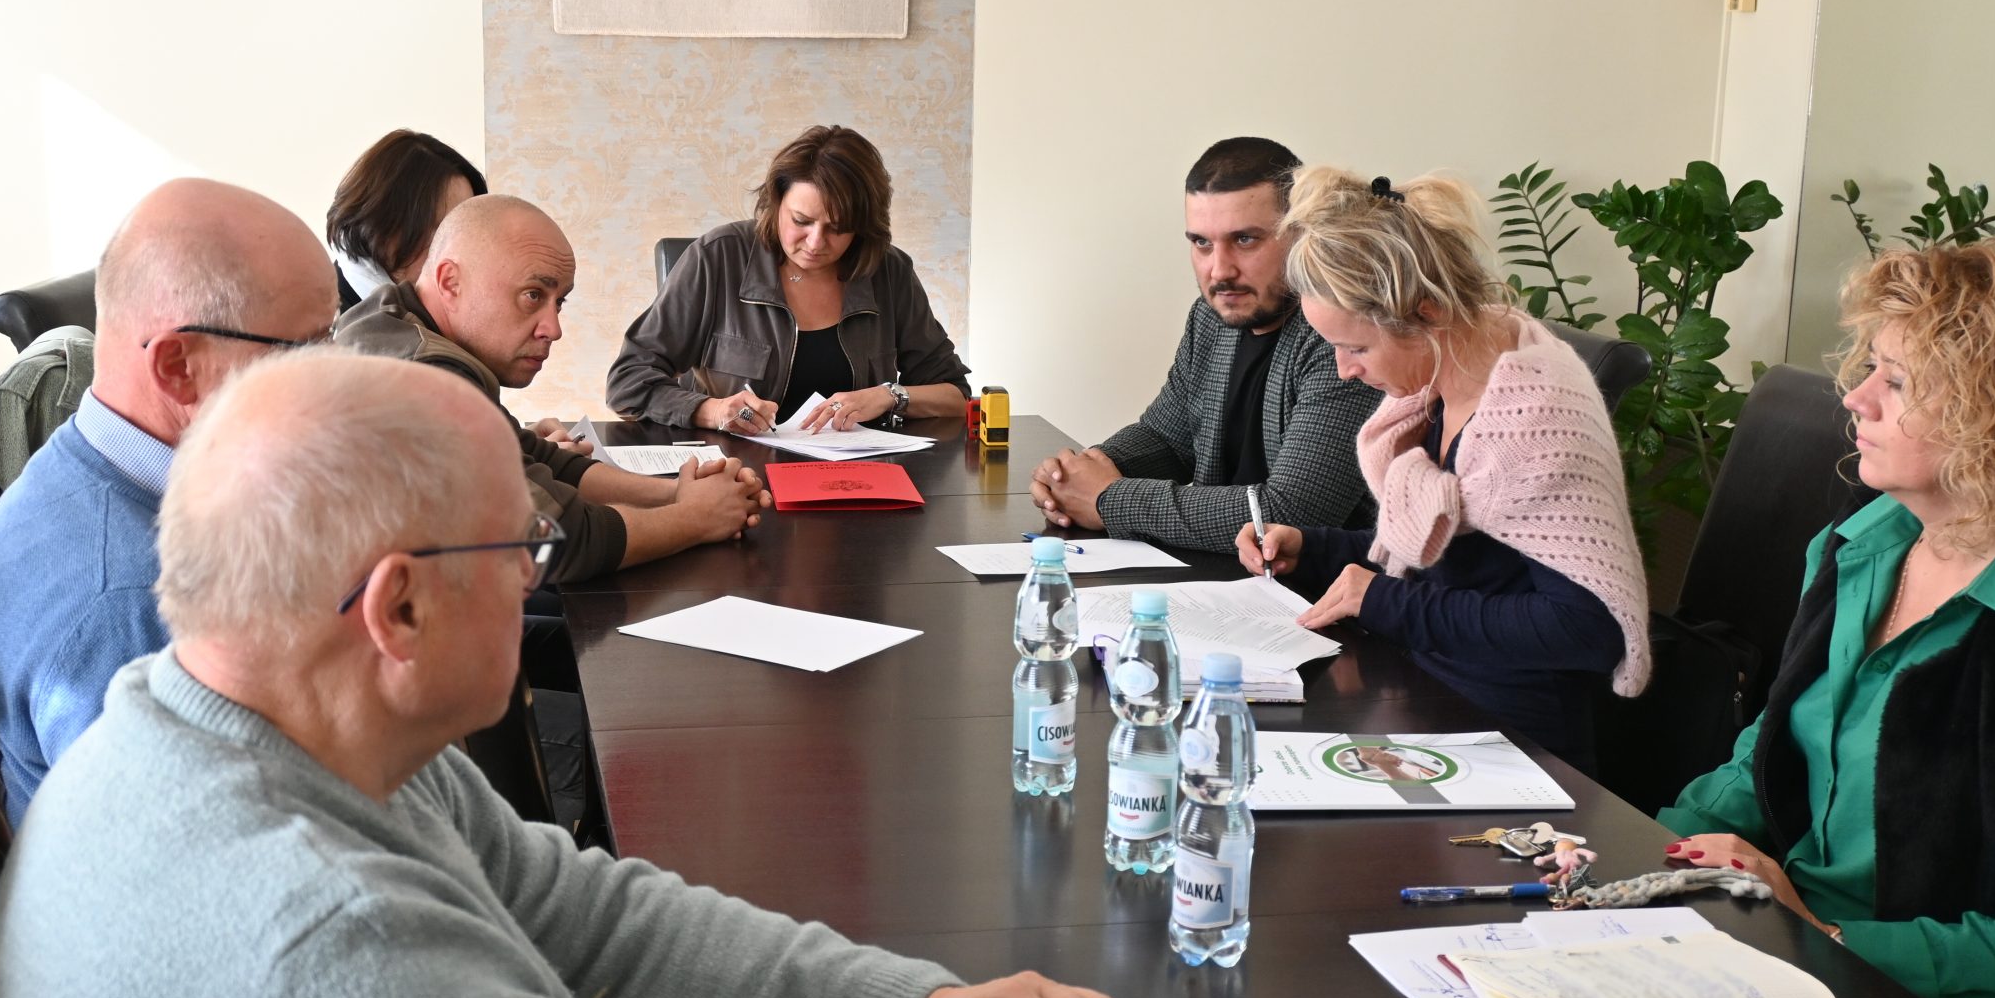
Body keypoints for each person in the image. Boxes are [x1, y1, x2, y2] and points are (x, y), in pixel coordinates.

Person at [0, 350, 1166, 998]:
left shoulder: (228, 716)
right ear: (398, 605)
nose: (536, 578)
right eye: (519, 549)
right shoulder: (320, 928)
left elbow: (588, 908)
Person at [1662, 240, 1995, 998]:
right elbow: (1771, 748)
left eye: (1895, 381)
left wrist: (1817, 936)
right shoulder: (1859, 543)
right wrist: (1654, 852)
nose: (1857, 398)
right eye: (1870, 367)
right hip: (1774, 953)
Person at [1235, 167, 1647, 768]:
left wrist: (1385, 602)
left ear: (1425, 314)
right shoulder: (1434, 388)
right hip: (1424, 693)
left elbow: (1588, 629)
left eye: (1356, 347)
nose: (1345, 370)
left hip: (1513, 740)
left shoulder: (1534, 419)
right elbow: (1460, 561)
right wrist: (1313, 547)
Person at [0, 178, 336, 825]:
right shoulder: (131, 606)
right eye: (305, 349)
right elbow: (198, 866)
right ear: (177, 367)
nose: (334, 376)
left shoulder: (83, 468)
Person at [338, 194, 767, 580]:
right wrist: (695, 517)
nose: (553, 328)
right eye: (532, 295)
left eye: (558, 302)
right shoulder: (427, 378)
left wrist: (677, 492)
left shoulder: (399, 323)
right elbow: (552, 543)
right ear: (450, 281)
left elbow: (538, 460)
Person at [1030, 138, 1379, 552]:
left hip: (1329, 585)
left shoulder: (1345, 333)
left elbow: (1291, 513)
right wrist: (1075, 476)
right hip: (1228, 577)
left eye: (1245, 239)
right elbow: (1167, 439)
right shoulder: (1211, 318)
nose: (1219, 270)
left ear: (1302, 233)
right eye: (1201, 243)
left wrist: (1108, 499)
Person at [606, 124, 971, 434]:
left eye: (837, 228)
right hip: (734, 474)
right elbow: (627, 381)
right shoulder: (717, 257)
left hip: (855, 477)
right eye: (801, 221)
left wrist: (889, 395)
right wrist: (713, 411)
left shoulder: (888, 272)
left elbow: (954, 395)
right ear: (776, 202)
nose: (815, 243)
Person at [324, 126, 485, 311]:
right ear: (383, 224)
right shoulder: (324, 319)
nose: (459, 249)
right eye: (442, 230)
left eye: (465, 230)